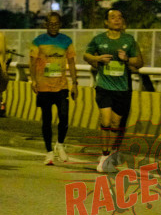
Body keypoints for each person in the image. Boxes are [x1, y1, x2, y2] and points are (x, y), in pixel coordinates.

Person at [84, 9, 142, 173]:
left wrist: (127, 59)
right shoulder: (99, 39)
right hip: (104, 87)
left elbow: (139, 62)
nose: (116, 20)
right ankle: (104, 156)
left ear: (122, 21)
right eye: (112, 17)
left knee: (116, 124)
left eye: (119, 17)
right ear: (106, 22)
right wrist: (97, 58)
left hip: (122, 89)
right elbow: (86, 56)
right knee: (106, 121)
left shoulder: (129, 40)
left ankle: (109, 155)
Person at [30, 12, 79, 165]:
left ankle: (60, 144)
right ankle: (49, 152)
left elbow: (71, 63)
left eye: (56, 24)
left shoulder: (66, 41)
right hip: (44, 87)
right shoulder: (38, 41)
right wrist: (33, 81)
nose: (53, 26)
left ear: (60, 24)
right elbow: (32, 63)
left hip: (61, 86)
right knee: (47, 120)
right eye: (50, 24)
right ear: (46, 24)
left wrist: (75, 83)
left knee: (64, 116)